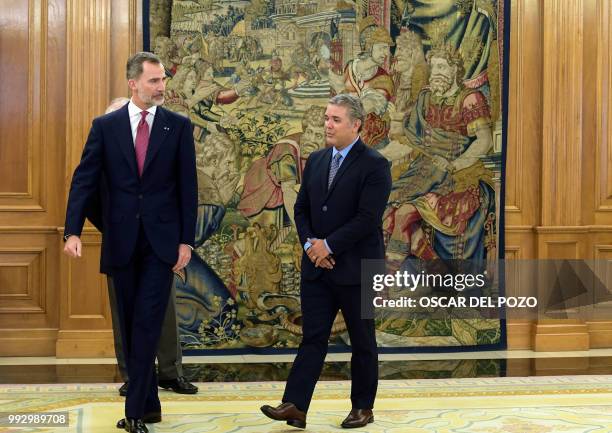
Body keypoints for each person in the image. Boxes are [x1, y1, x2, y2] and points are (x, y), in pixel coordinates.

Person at [63, 52, 197, 433]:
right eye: (154, 81)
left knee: (148, 323)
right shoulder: (105, 127)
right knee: (130, 321)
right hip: (121, 242)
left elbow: (189, 189)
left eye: (163, 80)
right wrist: (72, 230)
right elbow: (84, 181)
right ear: (133, 83)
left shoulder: (177, 127)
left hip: (161, 244)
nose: (161, 87)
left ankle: (136, 413)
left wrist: (186, 241)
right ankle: (151, 405)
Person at [260, 94, 392, 429]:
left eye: (335, 119)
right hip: (317, 267)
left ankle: (363, 407)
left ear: (356, 124)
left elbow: (367, 218)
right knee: (312, 338)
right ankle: (295, 406)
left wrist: (328, 246)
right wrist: (311, 246)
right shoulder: (317, 160)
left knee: (363, 339)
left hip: (358, 267)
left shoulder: (375, 164)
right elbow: (302, 208)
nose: (327, 125)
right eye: (326, 118)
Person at [90, 97, 198, 397]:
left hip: (156, 242)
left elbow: (182, 190)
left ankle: (171, 372)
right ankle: (134, 376)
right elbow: (88, 199)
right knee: (124, 316)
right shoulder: (102, 149)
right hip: (120, 245)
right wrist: (115, 229)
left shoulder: (165, 136)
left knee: (164, 311)